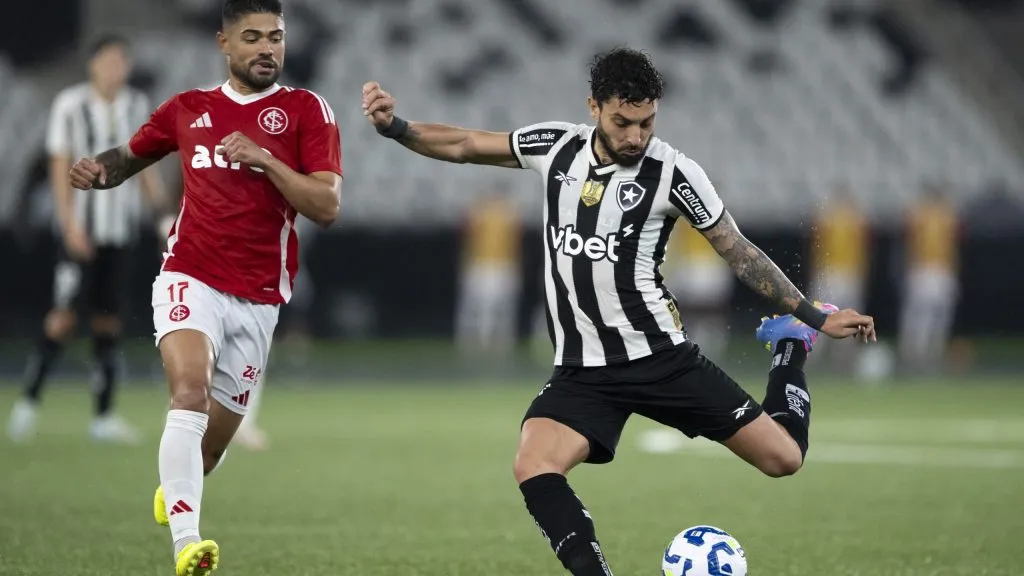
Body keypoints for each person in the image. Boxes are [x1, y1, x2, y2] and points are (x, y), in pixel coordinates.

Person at [362, 47, 875, 576]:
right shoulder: (554, 146)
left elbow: (738, 250)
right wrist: (396, 128)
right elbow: (468, 143)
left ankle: (790, 347)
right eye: (622, 121)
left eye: (646, 122)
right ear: (594, 107)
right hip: (583, 372)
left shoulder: (675, 172)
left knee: (784, 459)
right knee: (533, 463)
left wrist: (813, 316)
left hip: (661, 360)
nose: (635, 136)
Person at [67, 1, 342, 573]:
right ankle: (187, 544)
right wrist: (97, 169)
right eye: (253, 37)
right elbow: (127, 158)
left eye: (276, 37)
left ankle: (180, 485)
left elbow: (326, 205)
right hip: (190, 276)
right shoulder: (188, 109)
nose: (268, 48)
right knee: (187, 394)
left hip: (262, 298)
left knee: (209, 448)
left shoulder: (306, 111)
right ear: (224, 43)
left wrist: (266, 161)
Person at [7, 34, 170, 444]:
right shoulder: (70, 105)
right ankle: (27, 403)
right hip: (81, 231)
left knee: (108, 322)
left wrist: (163, 218)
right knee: (62, 318)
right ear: (93, 64)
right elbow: (60, 165)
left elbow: (146, 168)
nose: (116, 68)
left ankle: (103, 415)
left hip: (119, 233)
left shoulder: (135, 105)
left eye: (122, 61)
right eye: (109, 60)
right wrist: (69, 225)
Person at [898, 181, 959, 373]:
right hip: (924, 268)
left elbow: (952, 246)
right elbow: (911, 243)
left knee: (939, 314)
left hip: (941, 269)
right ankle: (914, 352)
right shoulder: (920, 213)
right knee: (919, 313)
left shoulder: (946, 214)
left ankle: (931, 351)